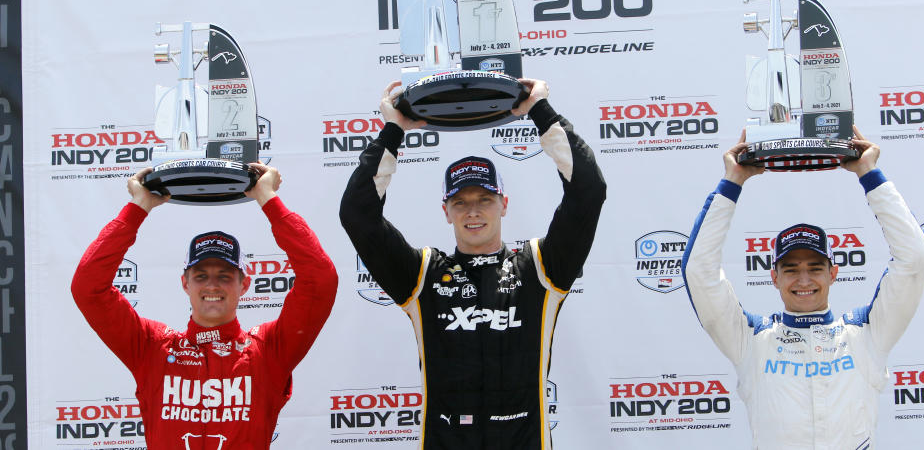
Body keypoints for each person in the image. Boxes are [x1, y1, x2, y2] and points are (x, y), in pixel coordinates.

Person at [340, 79, 606, 449]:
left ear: (504, 204)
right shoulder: (423, 276)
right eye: (461, 202)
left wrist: (540, 112)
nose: (474, 211)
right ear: (446, 211)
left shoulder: (541, 269)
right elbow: (358, 214)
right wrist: (393, 131)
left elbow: (588, 191)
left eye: (484, 198)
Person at [681, 128, 924, 449]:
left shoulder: (867, 335)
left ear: (833, 274)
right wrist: (732, 182)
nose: (803, 280)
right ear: (774, 277)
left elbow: (915, 261)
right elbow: (698, 272)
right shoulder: (751, 342)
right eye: (791, 269)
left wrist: (869, 173)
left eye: (815, 268)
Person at [72, 163, 338, 449]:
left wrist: (269, 200)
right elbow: (89, 288)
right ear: (185, 284)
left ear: (244, 285)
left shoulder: (269, 351)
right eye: (201, 276)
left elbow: (320, 280)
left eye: (224, 276)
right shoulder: (152, 348)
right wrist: (138, 208)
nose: (212, 285)